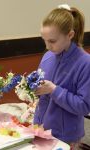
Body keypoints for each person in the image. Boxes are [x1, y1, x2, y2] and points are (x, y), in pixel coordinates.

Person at [34, 4, 90, 149]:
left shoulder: (85, 63)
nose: (47, 46)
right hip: (41, 130)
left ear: (70, 35)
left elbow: (84, 106)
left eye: (52, 41)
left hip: (67, 138)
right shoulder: (48, 56)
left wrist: (53, 90)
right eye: (44, 40)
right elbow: (43, 96)